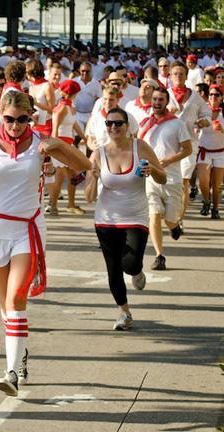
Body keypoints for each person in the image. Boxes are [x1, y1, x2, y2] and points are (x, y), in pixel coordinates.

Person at [0, 90, 90, 394]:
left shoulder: (41, 143)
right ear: (0, 115)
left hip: (27, 229)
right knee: (6, 305)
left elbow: (84, 166)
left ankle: (11, 372)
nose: (15, 125)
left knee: (15, 298)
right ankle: (21, 355)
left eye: (22, 119)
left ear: (31, 117)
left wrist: (58, 145)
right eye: (9, 119)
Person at [84, 107, 166, 330]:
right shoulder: (99, 154)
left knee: (129, 264)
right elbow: (89, 197)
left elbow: (163, 177)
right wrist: (91, 178)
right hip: (105, 219)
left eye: (118, 123)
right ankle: (124, 312)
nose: (113, 128)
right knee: (113, 268)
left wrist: (152, 170)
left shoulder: (140, 148)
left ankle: (137, 271)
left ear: (127, 126)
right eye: (109, 124)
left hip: (136, 217)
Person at [139, 86, 192, 271]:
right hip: (150, 178)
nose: (157, 103)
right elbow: (138, 146)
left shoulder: (176, 124)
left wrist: (168, 160)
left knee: (169, 219)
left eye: (161, 100)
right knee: (153, 215)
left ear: (166, 102)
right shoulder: (145, 123)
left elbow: (188, 149)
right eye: (154, 99)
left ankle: (174, 225)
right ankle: (159, 256)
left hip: (172, 180)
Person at [167, 61, 211, 219]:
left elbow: (206, 113)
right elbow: (154, 115)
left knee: (184, 181)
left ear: (186, 76)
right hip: (168, 144)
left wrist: (204, 121)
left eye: (181, 74)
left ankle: (180, 218)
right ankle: (170, 211)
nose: (178, 76)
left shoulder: (195, 96)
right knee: (170, 182)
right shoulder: (165, 95)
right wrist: (167, 113)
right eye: (175, 74)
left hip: (189, 143)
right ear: (170, 76)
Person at [197, 84, 224, 219]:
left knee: (216, 184)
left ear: (221, 97)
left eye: (217, 95)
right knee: (203, 181)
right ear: (207, 97)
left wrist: (223, 130)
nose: (213, 97)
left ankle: (215, 209)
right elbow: (194, 125)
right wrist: (198, 125)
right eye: (211, 95)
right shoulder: (202, 110)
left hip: (222, 150)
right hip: (204, 150)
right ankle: (206, 201)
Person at [48, 79, 86, 216]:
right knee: (61, 176)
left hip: (67, 145)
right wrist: (55, 148)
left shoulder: (68, 107)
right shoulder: (63, 108)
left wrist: (85, 138)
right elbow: (55, 129)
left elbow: (74, 125)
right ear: (74, 93)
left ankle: (70, 204)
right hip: (61, 146)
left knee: (73, 176)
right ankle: (53, 205)